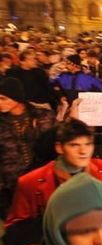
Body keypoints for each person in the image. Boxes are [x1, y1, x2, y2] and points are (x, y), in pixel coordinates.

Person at [4, 119, 102, 245]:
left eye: (88, 144)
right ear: (59, 148)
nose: (83, 151)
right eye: (74, 145)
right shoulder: (31, 181)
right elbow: (15, 229)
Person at [0, 77, 56, 218]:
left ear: (16, 97)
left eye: (3, 98)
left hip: (42, 180)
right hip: (10, 184)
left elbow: (53, 144)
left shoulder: (42, 116)